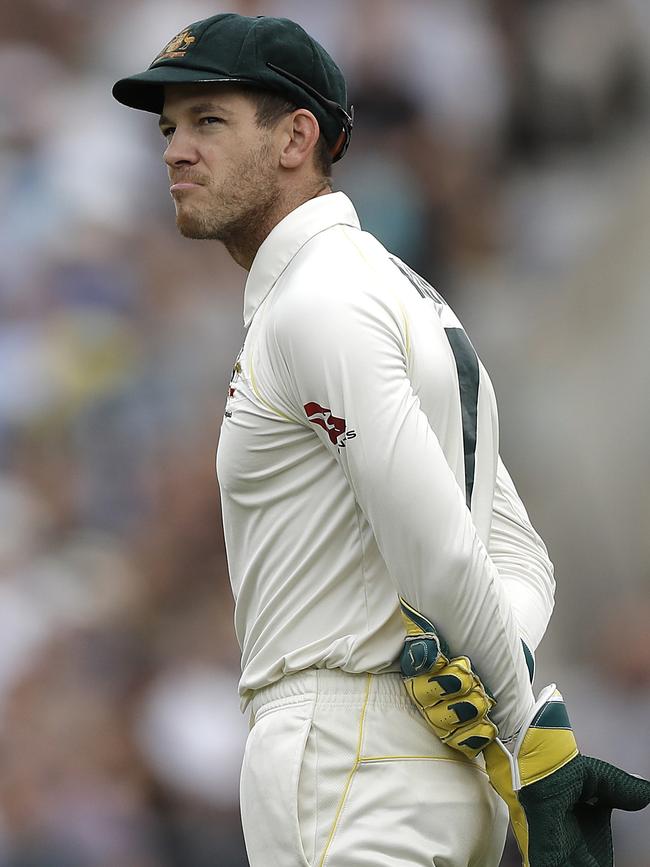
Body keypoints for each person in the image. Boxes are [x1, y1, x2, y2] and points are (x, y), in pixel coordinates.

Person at [112, 13, 650, 867]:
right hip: (415, 757)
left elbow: (438, 548)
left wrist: (526, 744)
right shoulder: (407, 296)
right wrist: (493, 700)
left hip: (345, 757)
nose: (176, 149)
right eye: (170, 126)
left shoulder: (318, 301)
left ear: (297, 137)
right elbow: (517, 556)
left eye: (209, 120)